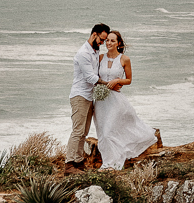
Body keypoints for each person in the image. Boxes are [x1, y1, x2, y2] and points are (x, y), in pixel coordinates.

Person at [91, 30, 159, 171]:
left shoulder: (124, 59)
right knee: (102, 133)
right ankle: (107, 162)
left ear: (119, 43)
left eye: (112, 40)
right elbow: (93, 77)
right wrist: (103, 85)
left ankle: (114, 163)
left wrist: (117, 81)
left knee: (109, 131)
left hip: (115, 100)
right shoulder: (100, 57)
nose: (109, 43)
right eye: (107, 40)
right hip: (101, 101)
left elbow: (129, 80)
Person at [66, 23, 110, 171]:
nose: (102, 43)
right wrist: (108, 84)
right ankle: (69, 164)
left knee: (84, 132)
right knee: (77, 131)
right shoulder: (83, 53)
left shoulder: (95, 51)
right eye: (101, 39)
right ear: (94, 35)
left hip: (89, 96)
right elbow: (90, 77)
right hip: (80, 95)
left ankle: (78, 161)